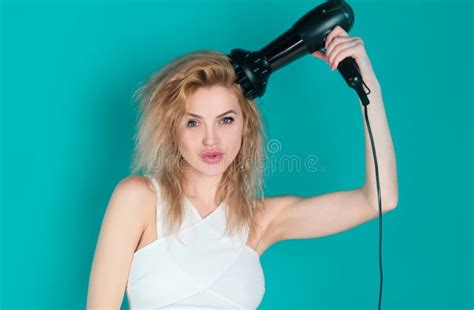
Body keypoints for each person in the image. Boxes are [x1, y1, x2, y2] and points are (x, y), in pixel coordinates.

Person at [87, 25, 398, 309]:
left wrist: (368, 86)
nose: (211, 139)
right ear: (173, 129)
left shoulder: (259, 220)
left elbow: (379, 199)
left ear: (245, 127)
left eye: (226, 120)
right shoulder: (139, 199)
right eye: (193, 122)